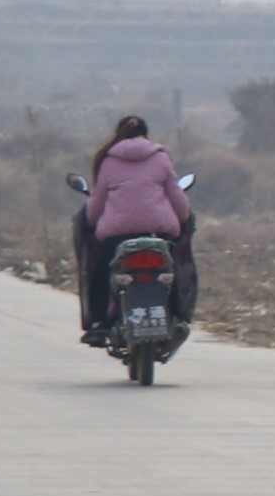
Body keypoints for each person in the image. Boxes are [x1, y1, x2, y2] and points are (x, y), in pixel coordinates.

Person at [79, 116, 196, 338]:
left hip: (118, 237)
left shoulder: (109, 160)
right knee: (172, 271)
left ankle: (98, 325)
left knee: (101, 275)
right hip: (159, 232)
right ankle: (176, 316)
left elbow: (96, 204)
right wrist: (183, 218)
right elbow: (178, 199)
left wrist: (92, 221)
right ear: (146, 134)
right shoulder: (161, 158)